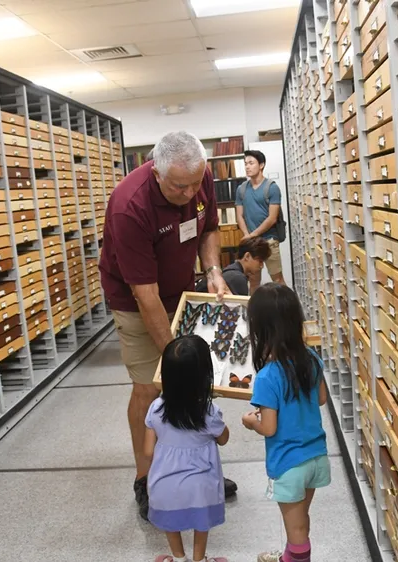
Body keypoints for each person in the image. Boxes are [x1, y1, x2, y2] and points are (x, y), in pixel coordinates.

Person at [99, 131, 236, 520]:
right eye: (180, 186)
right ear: (156, 172)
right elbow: (145, 295)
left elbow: (208, 226)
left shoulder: (196, 176)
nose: (191, 191)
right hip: (136, 298)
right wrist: (176, 362)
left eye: (196, 183)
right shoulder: (130, 206)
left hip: (182, 290)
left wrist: (211, 269)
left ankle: (193, 469)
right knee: (150, 385)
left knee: (192, 382)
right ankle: (146, 479)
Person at [241, 284, 330, 562]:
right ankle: (289, 556)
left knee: (297, 529)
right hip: (316, 457)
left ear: (261, 329)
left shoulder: (268, 376)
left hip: (289, 463)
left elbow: (269, 427)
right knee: (301, 521)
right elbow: (321, 399)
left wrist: (249, 422)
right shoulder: (311, 359)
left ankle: (296, 557)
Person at [145, 336, 229, 562]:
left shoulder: (156, 409)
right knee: (201, 523)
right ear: (204, 376)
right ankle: (199, 559)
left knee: (170, 521)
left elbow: (148, 451)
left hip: (164, 485)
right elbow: (224, 439)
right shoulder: (209, 411)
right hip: (201, 486)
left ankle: (179, 558)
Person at [236, 150, 286, 293]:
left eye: (251, 163)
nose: (247, 167)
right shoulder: (241, 189)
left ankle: (287, 311)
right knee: (253, 282)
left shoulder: (272, 187)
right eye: (245, 164)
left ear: (261, 165)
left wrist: (252, 235)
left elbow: (272, 218)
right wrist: (247, 235)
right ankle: (254, 314)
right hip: (251, 243)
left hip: (269, 241)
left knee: (277, 279)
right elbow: (240, 215)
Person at [195, 236, 272, 296]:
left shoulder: (231, 272)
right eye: (260, 261)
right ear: (247, 256)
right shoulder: (238, 278)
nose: (262, 266)